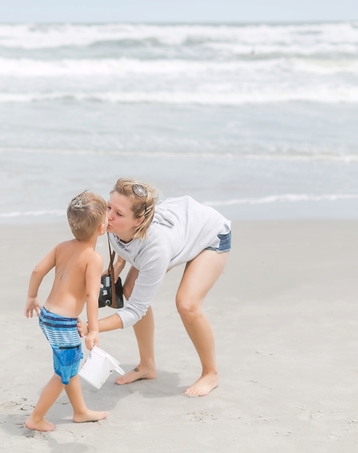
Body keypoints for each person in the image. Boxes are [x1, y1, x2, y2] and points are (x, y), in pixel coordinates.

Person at [78, 178, 231, 397]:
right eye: (108, 206)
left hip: (210, 235)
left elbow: (135, 311)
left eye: (119, 214)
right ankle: (147, 365)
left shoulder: (156, 249)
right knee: (130, 290)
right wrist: (118, 266)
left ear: (138, 220)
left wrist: (92, 327)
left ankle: (211, 373)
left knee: (187, 304)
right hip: (181, 227)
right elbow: (123, 245)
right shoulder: (113, 222)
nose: (109, 216)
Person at [24, 190, 110, 432]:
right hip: (63, 323)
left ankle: (80, 411)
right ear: (102, 228)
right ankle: (36, 418)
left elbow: (37, 271)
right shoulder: (93, 258)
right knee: (64, 371)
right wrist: (94, 329)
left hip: (48, 316)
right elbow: (92, 295)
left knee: (68, 365)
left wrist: (32, 297)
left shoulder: (62, 246)